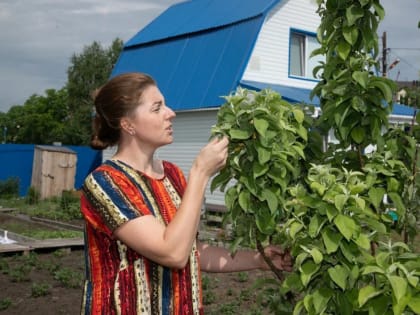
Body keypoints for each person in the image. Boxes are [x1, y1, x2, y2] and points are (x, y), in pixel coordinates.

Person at [80, 72, 292, 315]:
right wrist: (201, 173)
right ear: (128, 124)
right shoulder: (106, 182)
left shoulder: (171, 174)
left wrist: (257, 259)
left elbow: (191, 251)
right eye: (157, 108)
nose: (171, 113)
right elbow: (172, 253)